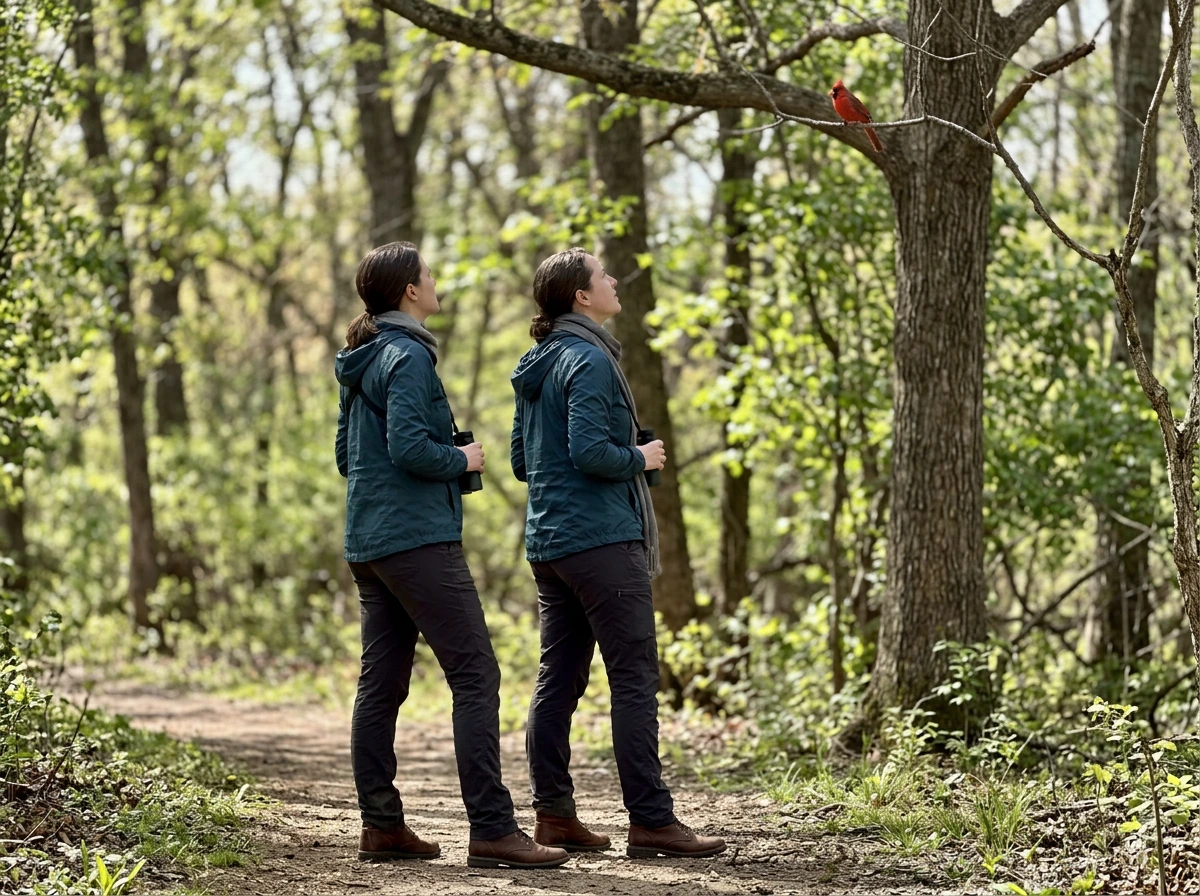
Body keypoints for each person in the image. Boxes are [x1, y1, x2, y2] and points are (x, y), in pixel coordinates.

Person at [335, 241, 568, 870]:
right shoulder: (407, 356)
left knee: (379, 685)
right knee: (475, 674)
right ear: (409, 291)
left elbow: (345, 458)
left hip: (368, 542)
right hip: (416, 540)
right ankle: (493, 829)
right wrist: (460, 460)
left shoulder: (361, 357)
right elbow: (410, 447)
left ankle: (382, 827)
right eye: (429, 276)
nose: (436, 283)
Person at [509, 247, 727, 859]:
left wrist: (621, 452)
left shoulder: (535, 364)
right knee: (633, 677)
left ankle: (553, 817)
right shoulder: (591, 360)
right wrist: (640, 457)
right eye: (603, 276)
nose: (612, 281)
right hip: (602, 541)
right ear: (581, 296)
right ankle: (652, 820)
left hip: (550, 543)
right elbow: (588, 453)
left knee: (560, 678)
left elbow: (523, 462)